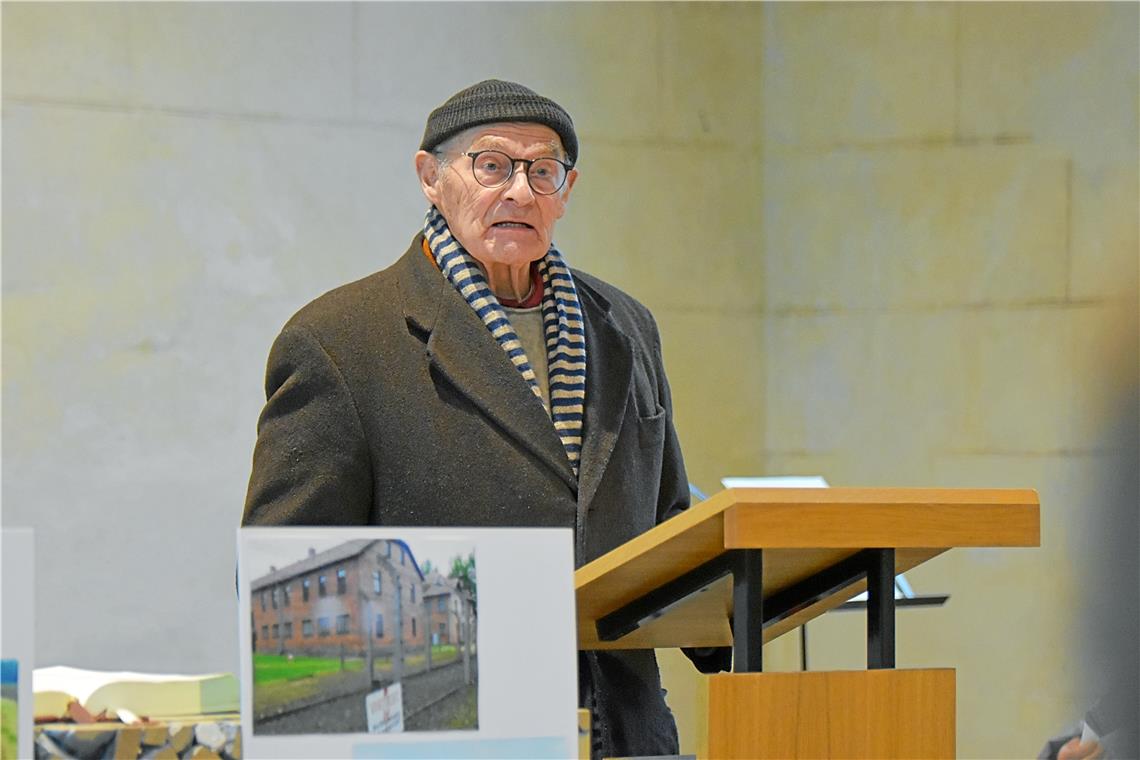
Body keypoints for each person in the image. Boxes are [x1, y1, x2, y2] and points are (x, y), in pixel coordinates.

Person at [241, 79, 728, 756]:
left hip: (627, 733)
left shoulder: (625, 327)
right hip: (450, 734)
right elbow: (282, 566)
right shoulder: (342, 341)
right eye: (492, 165)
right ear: (430, 178)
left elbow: (666, 520)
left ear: (567, 190)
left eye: (543, 172)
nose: (521, 192)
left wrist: (748, 599)